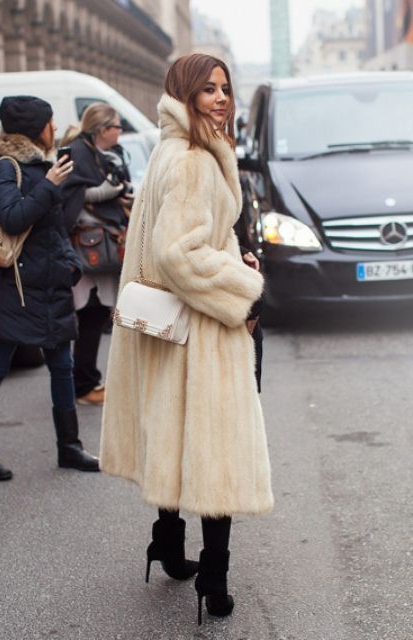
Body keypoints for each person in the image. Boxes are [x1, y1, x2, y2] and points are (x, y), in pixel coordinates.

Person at [100, 54, 274, 624]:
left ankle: (167, 543)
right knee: (214, 449)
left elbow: (187, 239)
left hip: (175, 329)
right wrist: (244, 289)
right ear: (185, 92)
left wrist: (230, 252)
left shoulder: (169, 150)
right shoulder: (195, 159)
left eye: (226, 88)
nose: (221, 98)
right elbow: (180, 255)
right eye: (209, 89)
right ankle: (214, 580)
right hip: (202, 328)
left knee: (176, 434)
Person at [0, 95, 100, 481]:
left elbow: (53, 228)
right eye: (51, 123)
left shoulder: (42, 165)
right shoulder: (5, 167)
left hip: (50, 284)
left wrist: (71, 264)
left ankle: (70, 447)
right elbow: (13, 218)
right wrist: (50, 186)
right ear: (36, 127)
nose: (55, 129)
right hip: (13, 287)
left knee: (63, 366)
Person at [61, 104, 133, 406]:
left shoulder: (93, 153)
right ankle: (83, 384)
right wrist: (110, 191)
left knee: (94, 313)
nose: (120, 131)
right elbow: (73, 194)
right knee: (91, 314)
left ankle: (85, 380)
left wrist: (118, 191)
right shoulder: (78, 152)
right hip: (88, 249)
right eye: (116, 126)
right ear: (103, 129)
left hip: (95, 247)